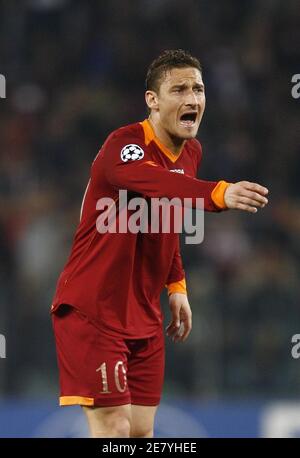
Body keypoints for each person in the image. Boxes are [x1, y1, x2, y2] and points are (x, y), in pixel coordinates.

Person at [51, 49, 268, 438]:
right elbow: (159, 184)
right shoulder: (124, 145)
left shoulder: (192, 153)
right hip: (93, 309)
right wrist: (217, 193)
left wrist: (177, 285)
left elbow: (166, 221)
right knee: (113, 429)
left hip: (144, 316)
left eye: (198, 89)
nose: (192, 99)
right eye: (179, 89)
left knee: (140, 434)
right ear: (152, 100)